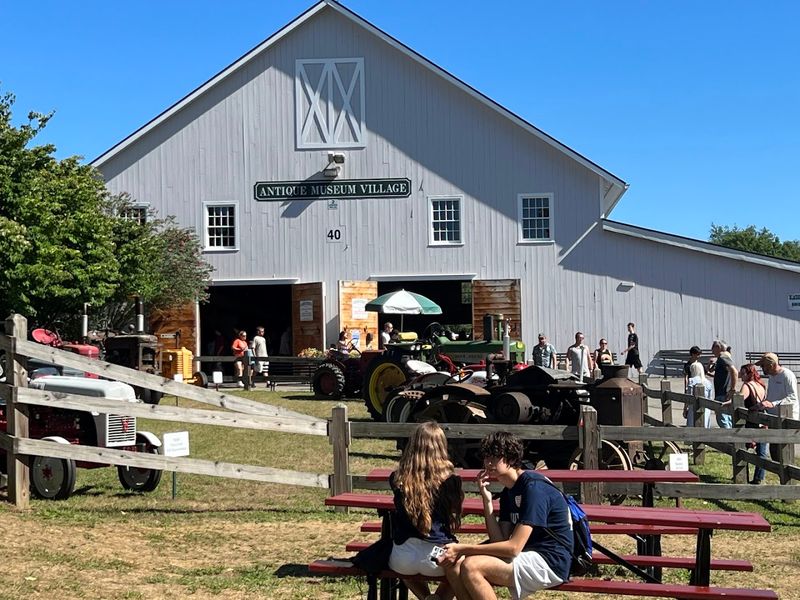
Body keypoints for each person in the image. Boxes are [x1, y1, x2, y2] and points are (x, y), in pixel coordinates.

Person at [440, 431, 571, 600]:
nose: (488, 462)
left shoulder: (534, 488)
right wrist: (487, 501)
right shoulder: (509, 492)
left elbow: (513, 548)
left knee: (472, 566)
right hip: (528, 555)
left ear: (512, 459)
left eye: (494, 457)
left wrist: (463, 548)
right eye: (486, 457)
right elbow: (499, 541)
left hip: (550, 561)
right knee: (455, 565)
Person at [388, 421, 463, 600]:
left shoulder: (397, 478)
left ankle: (426, 597)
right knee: (463, 566)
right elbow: (454, 511)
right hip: (438, 554)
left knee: (404, 569)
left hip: (402, 555)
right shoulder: (451, 480)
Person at [756, 352, 798, 461]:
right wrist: (762, 404)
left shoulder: (787, 375)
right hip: (774, 419)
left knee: (784, 453)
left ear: (772, 365)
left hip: (786, 419)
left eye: (763, 366)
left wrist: (773, 404)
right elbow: (771, 396)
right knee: (774, 451)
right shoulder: (771, 376)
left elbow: (792, 397)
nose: (762, 368)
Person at [738, 363, 768, 484]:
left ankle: (740, 474)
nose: (741, 376)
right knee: (762, 451)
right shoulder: (761, 385)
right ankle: (758, 478)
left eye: (743, 373)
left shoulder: (747, 386)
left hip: (751, 420)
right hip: (762, 419)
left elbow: (739, 399)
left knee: (741, 448)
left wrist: (728, 402)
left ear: (749, 374)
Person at [683, 346, 712, 428]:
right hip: (694, 389)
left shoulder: (698, 365)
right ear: (692, 354)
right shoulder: (688, 365)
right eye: (697, 354)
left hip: (693, 389)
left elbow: (705, 372)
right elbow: (686, 377)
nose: (699, 356)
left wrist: (685, 407)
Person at [710, 340, 737, 429]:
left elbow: (734, 371)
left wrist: (733, 389)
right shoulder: (721, 358)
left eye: (713, 347)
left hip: (723, 393)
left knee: (723, 420)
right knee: (727, 419)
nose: (712, 350)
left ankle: (729, 437)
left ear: (718, 347)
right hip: (723, 393)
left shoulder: (723, 357)